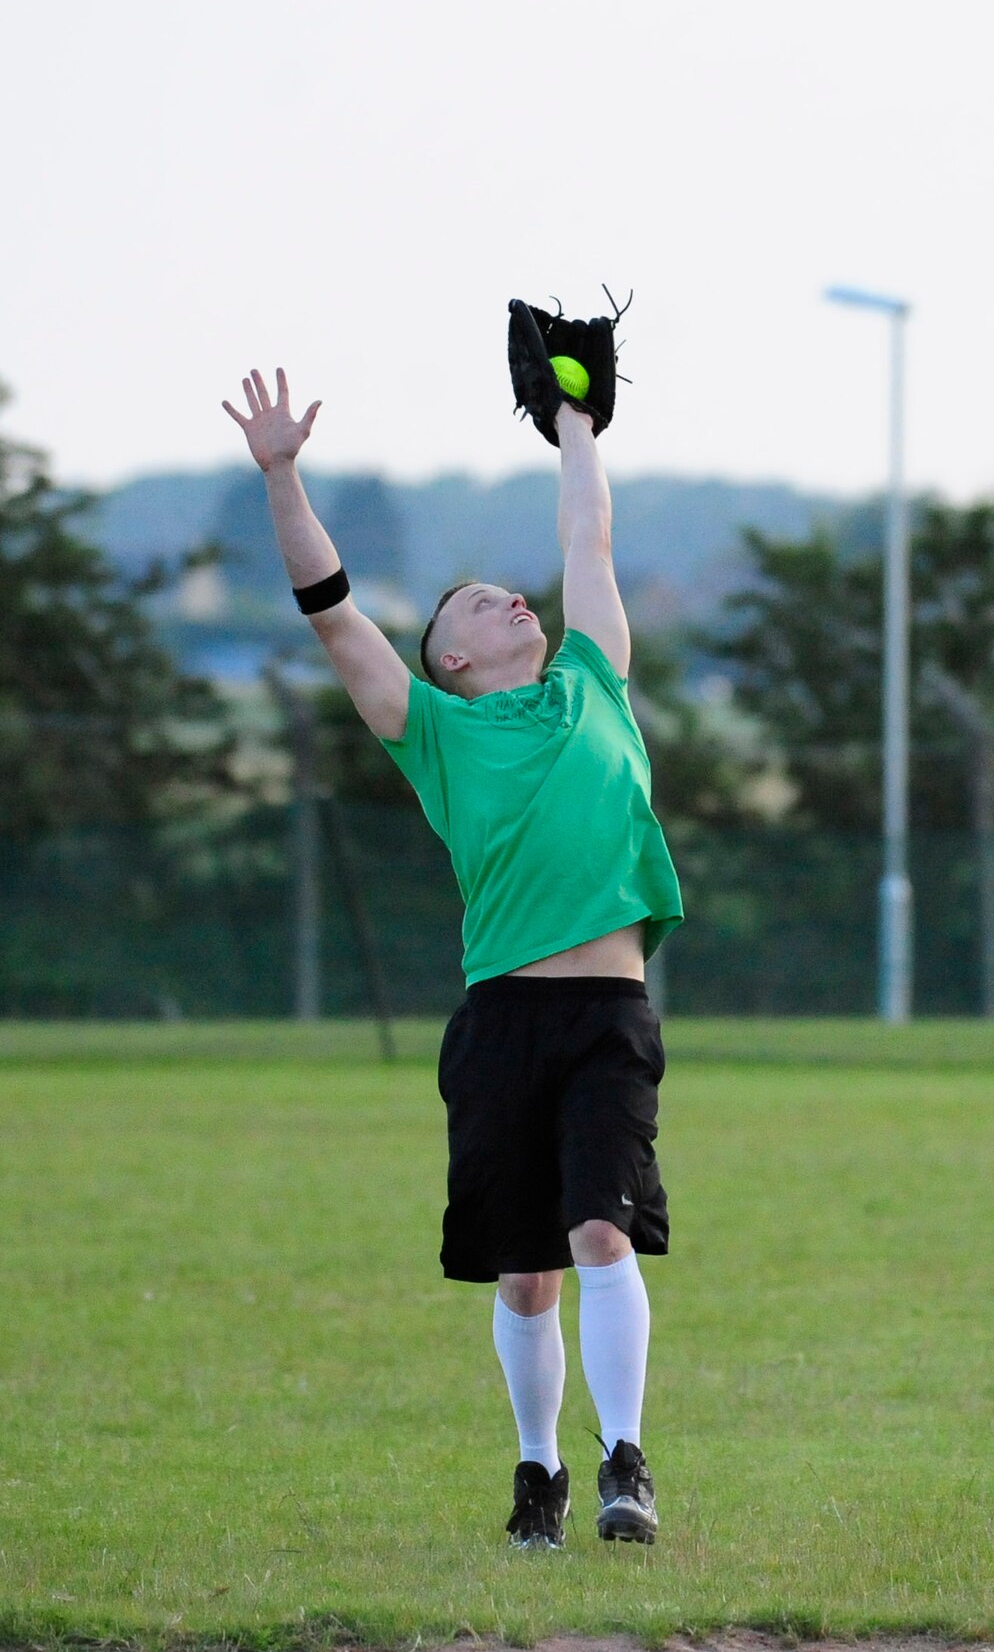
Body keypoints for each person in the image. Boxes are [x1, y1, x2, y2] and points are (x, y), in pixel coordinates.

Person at [223, 366, 683, 1549]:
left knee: (601, 1234)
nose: (508, 601)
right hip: (500, 1022)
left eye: (505, 592)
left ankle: (626, 1459)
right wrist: (282, 475)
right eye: (476, 605)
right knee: (524, 1274)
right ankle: (540, 1472)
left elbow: (588, 529)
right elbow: (329, 609)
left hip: (609, 1014)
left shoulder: (595, 682)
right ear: (451, 661)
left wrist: (575, 423)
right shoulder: (434, 728)